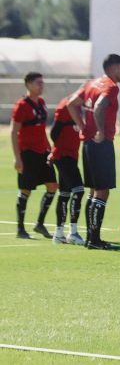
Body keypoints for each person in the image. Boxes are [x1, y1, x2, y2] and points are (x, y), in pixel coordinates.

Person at [67, 54, 120, 250]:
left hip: (88, 144)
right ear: (114, 67)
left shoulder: (91, 83)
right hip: (101, 143)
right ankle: (94, 239)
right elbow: (100, 106)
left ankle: (92, 237)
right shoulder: (110, 86)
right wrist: (100, 130)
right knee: (102, 191)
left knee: (93, 191)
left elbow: (71, 103)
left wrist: (83, 126)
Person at [11, 72, 58, 239]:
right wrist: (18, 158)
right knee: (26, 190)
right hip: (28, 154)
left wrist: (50, 148)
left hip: (43, 153)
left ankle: (39, 223)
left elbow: (41, 129)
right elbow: (14, 132)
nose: (41, 85)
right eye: (38, 83)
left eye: (42, 83)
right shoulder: (21, 105)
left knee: (52, 186)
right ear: (29, 84)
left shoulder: (42, 103)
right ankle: (20, 229)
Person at [49, 93, 86, 245]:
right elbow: (54, 132)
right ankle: (73, 232)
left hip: (70, 156)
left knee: (65, 194)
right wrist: (58, 149)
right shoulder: (66, 106)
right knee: (78, 190)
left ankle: (58, 234)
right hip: (64, 156)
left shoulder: (77, 107)